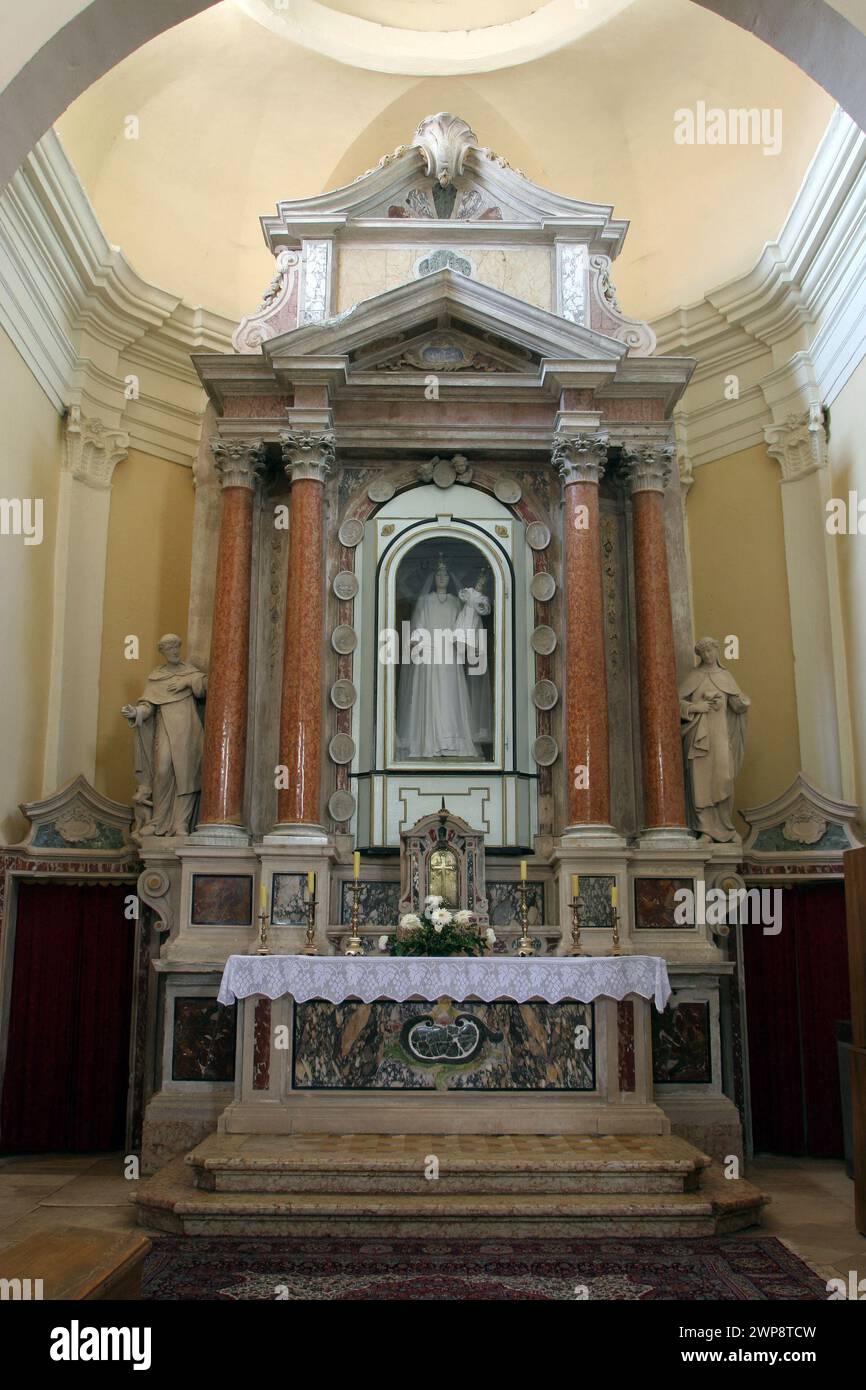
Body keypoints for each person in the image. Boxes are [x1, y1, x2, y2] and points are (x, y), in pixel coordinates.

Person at [122, 634, 207, 837]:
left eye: (177, 647)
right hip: (165, 729)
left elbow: (206, 685)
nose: (175, 651)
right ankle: (159, 820)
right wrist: (136, 712)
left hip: (187, 730)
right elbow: (148, 706)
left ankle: (181, 823)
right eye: (170, 648)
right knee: (162, 770)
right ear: (163, 651)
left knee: (186, 773)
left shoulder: (190, 672)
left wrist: (186, 682)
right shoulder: (156, 677)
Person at [396, 560, 481, 759]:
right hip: (430, 655)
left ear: (450, 578)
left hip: (449, 655)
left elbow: (462, 627)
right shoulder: (426, 600)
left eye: (445, 575)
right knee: (431, 697)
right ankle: (431, 741)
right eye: (438, 575)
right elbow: (419, 625)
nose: (442, 578)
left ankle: (452, 742)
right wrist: (415, 642)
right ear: (434, 579)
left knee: (450, 699)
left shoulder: (455, 601)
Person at [679, 637, 750, 842]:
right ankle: (706, 829)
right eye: (704, 653)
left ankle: (724, 827)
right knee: (701, 780)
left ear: (717, 652)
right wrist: (695, 707)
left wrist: (741, 701)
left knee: (723, 777)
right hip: (699, 737)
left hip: (721, 736)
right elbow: (674, 702)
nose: (708, 656)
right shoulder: (695, 675)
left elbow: (737, 705)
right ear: (699, 656)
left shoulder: (725, 676)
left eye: (711, 651)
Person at [455, 571, 493, 747]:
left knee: (473, 640)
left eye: (482, 583)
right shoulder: (469, 591)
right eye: (479, 582)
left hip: (475, 623)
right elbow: (462, 594)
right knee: (461, 633)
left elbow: (485, 609)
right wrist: (467, 594)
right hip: (464, 619)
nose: (479, 585)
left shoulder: (483, 598)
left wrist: (480, 602)